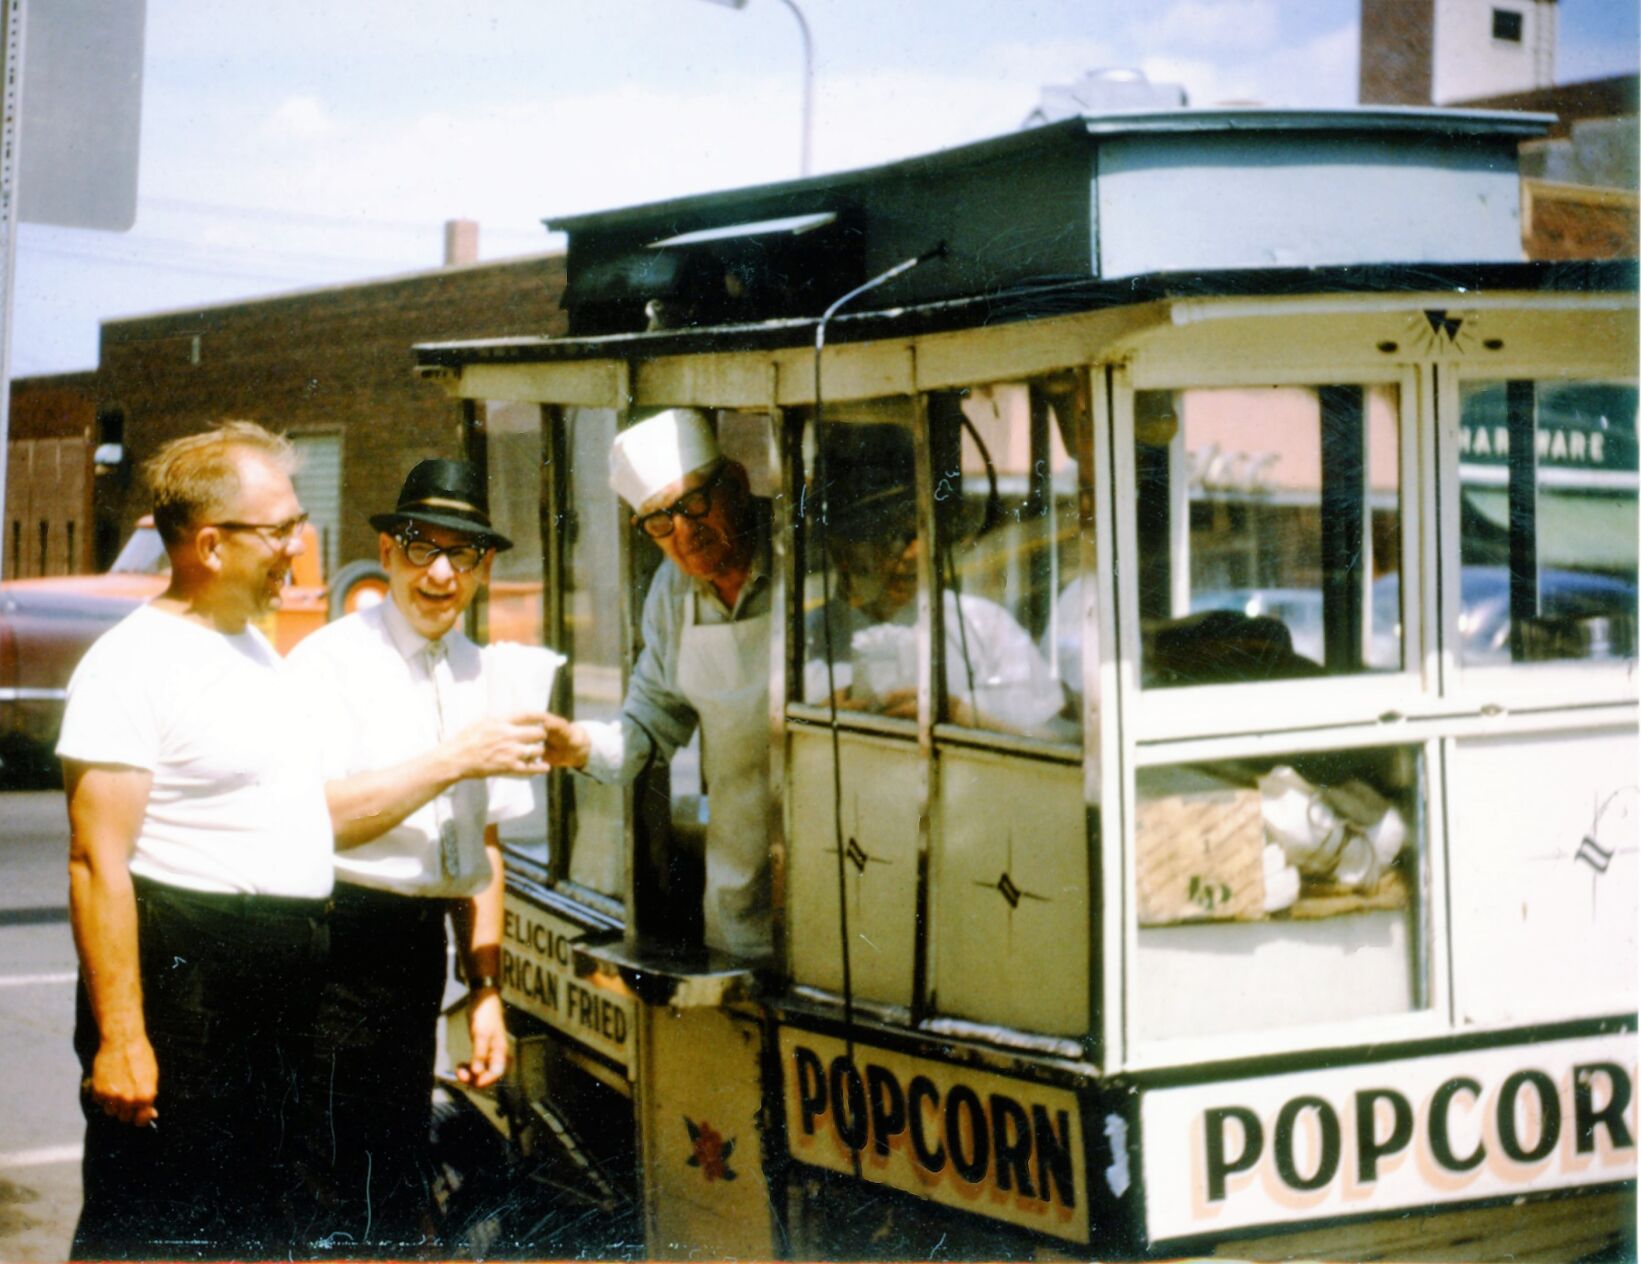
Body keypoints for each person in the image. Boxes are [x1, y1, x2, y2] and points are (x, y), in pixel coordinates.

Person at [60, 421, 334, 1260]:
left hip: (276, 990)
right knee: (157, 1228)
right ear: (211, 545)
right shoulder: (129, 665)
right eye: (282, 526)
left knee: (262, 1228)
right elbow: (95, 862)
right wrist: (123, 1038)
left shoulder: (252, 644)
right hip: (192, 992)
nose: (300, 543)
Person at [283, 459, 555, 1255]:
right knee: (327, 1187)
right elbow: (317, 821)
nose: (440, 572)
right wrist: (451, 758)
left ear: (485, 564)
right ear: (387, 551)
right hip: (332, 944)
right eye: (419, 546)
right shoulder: (330, 664)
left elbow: (486, 846)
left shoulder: (484, 670)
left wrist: (486, 990)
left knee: (396, 1183)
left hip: (416, 952)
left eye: (461, 553)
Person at [543, 408, 775, 961]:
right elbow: (651, 720)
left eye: (694, 503)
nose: (684, 532)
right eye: (658, 520)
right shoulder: (673, 594)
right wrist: (577, 746)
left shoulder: (809, 561)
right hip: (741, 890)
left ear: (736, 485)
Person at [804, 426, 1067, 737]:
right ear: (841, 548)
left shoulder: (983, 627)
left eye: (921, 531)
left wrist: (961, 716)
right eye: (890, 537)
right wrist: (817, 727)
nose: (913, 552)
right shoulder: (803, 645)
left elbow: (1057, 740)